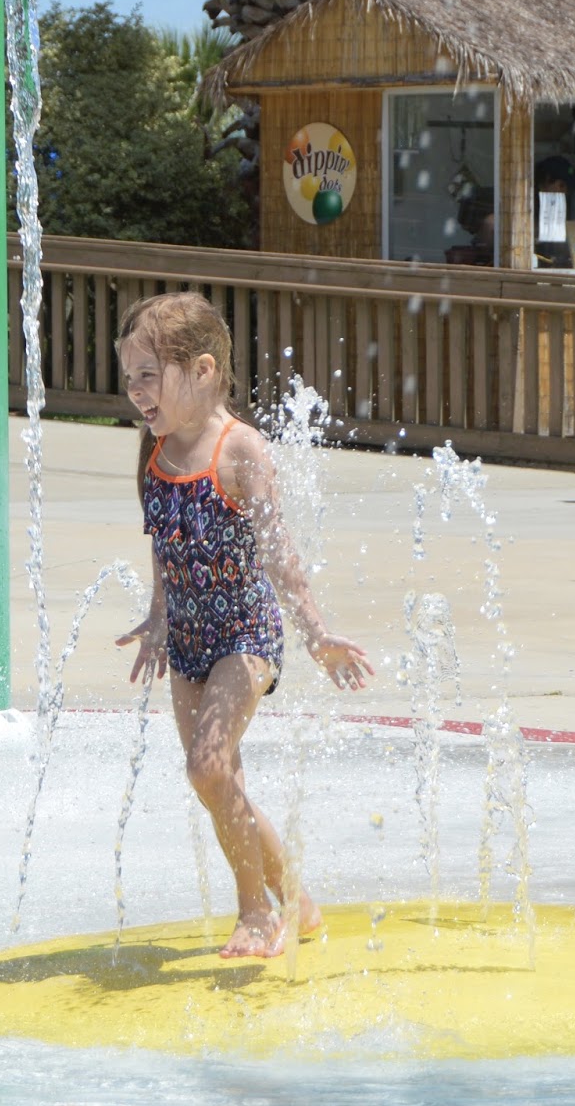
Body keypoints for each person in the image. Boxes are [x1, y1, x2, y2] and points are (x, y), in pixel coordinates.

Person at [113, 292, 373, 959]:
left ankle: (257, 913)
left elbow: (280, 554)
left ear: (203, 370)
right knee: (217, 780)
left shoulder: (240, 450)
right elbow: (164, 539)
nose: (135, 389)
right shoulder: (154, 449)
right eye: (130, 374)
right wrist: (158, 615)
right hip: (187, 638)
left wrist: (315, 633)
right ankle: (296, 897)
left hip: (244, 634)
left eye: (149, 374)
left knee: (207, 766)